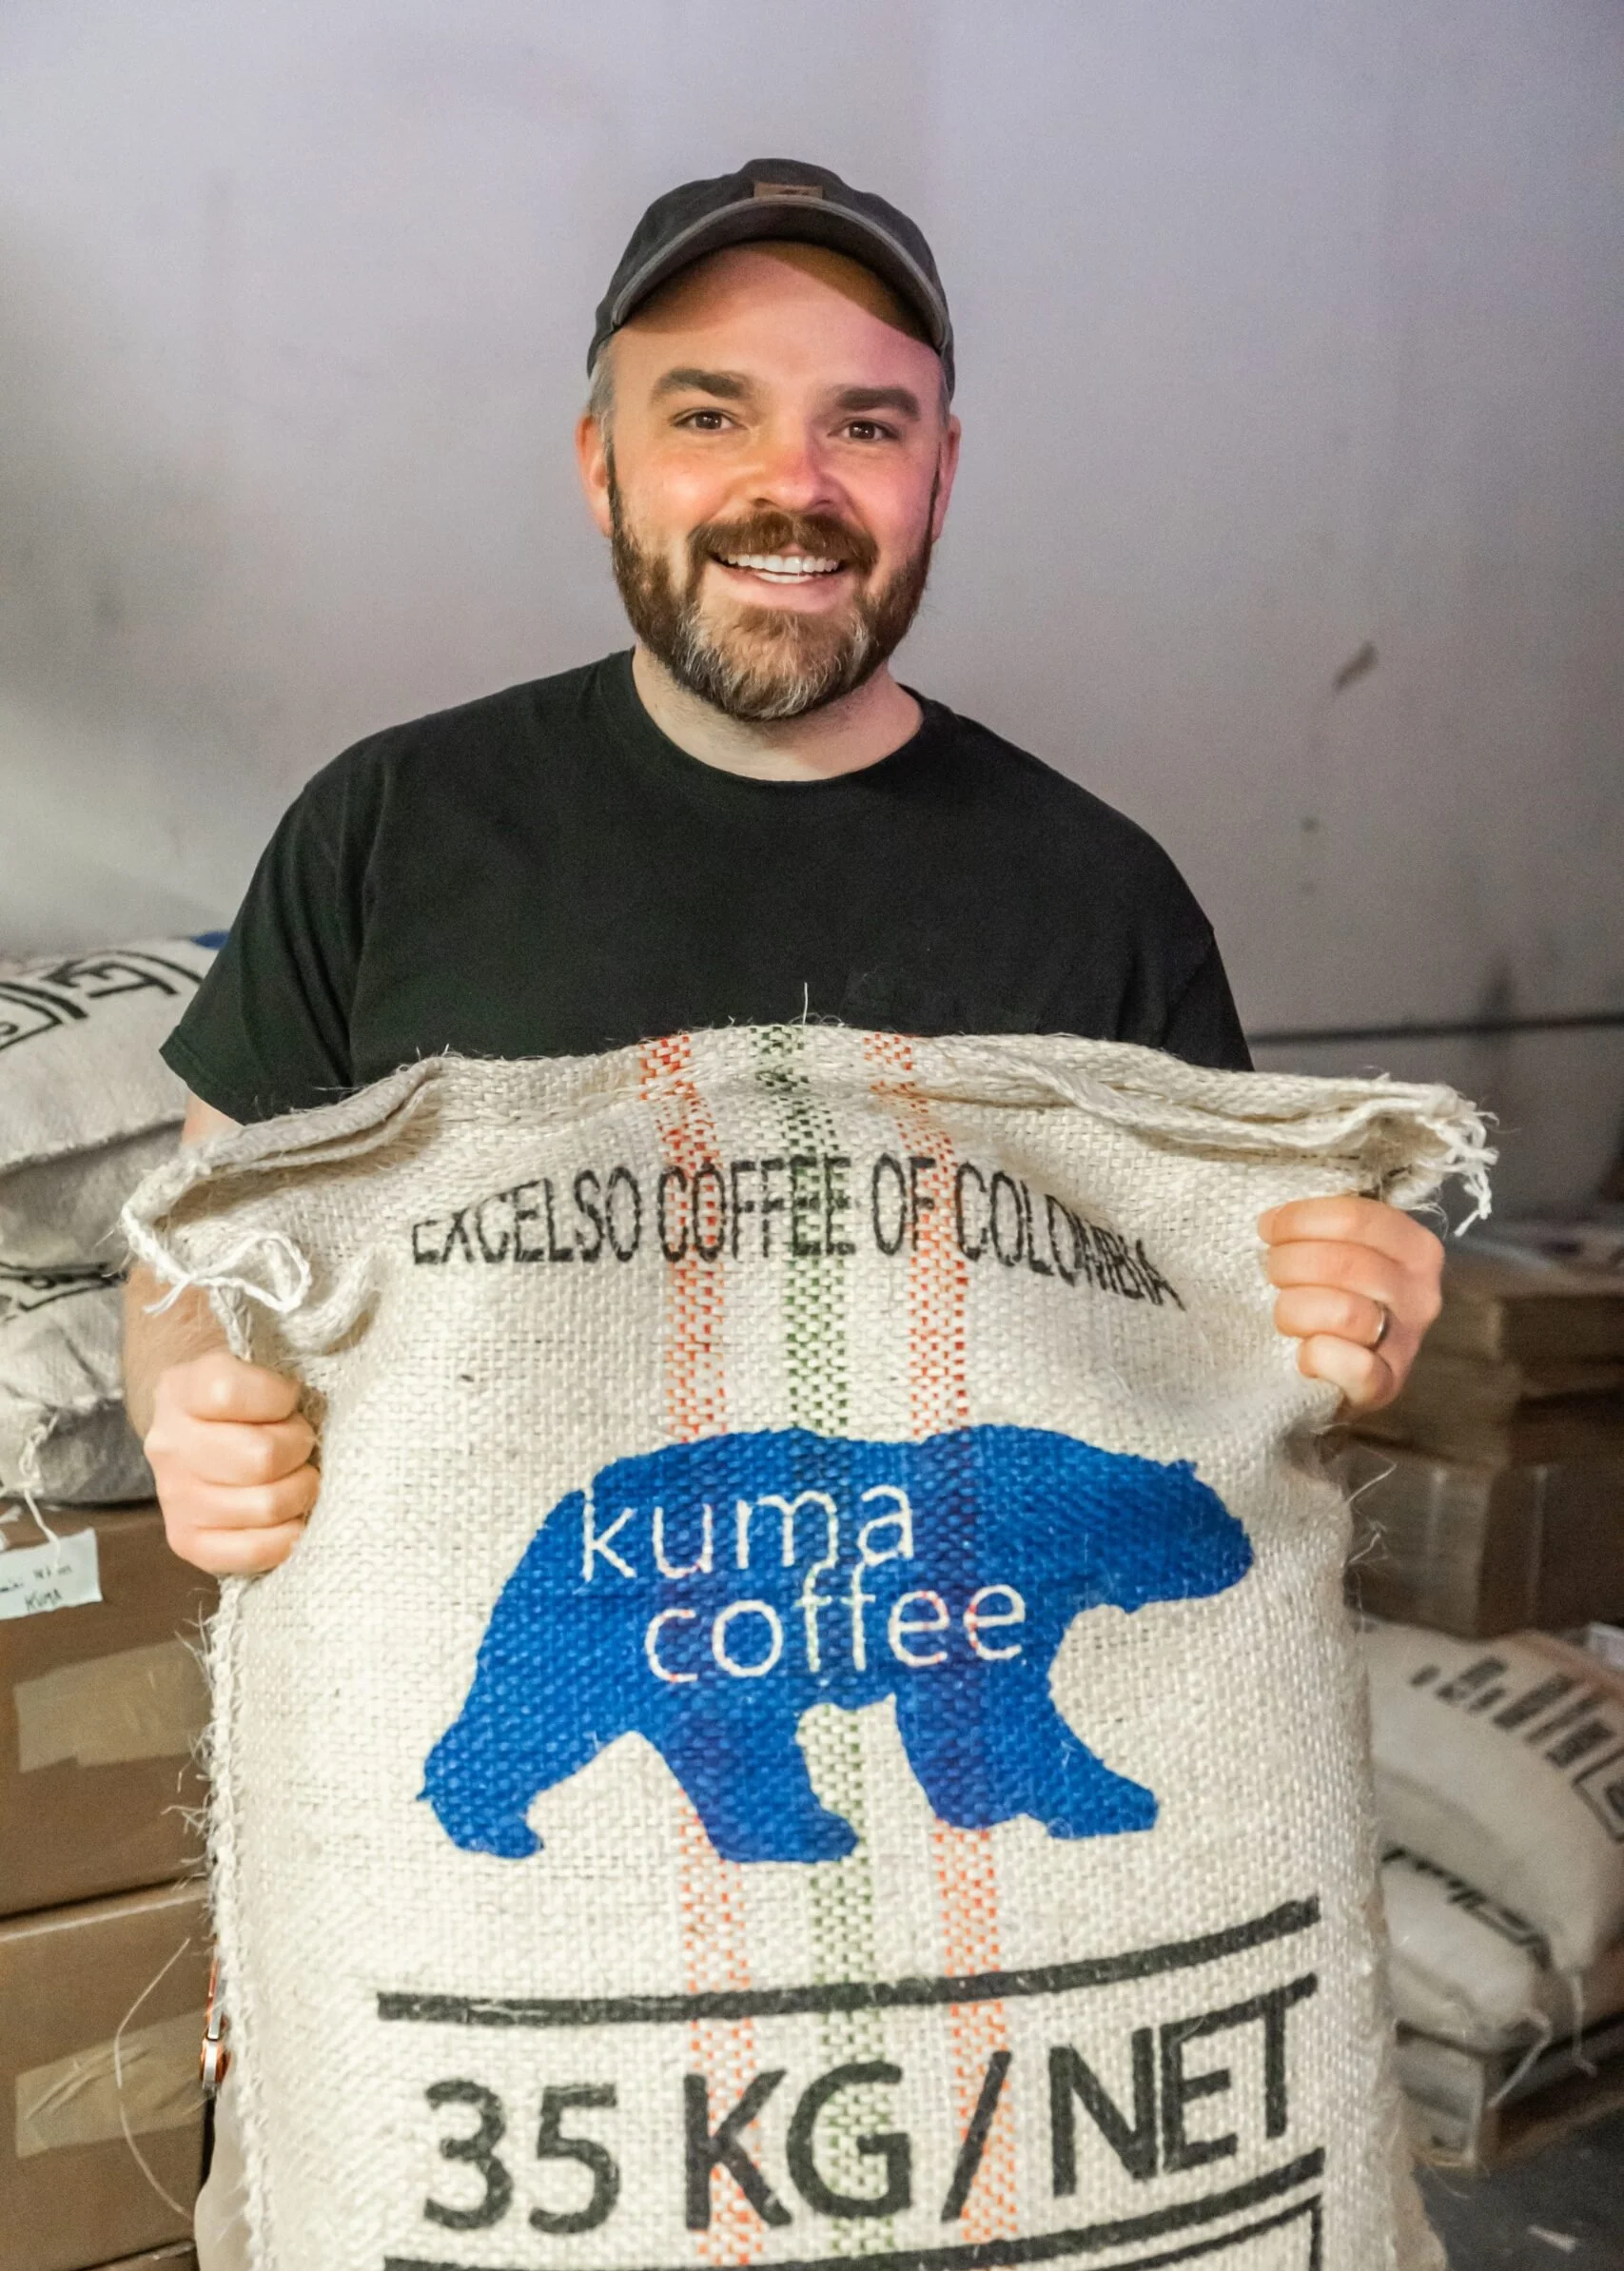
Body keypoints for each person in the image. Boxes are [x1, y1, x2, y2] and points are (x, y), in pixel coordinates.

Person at [124, 157, 1442, 1572]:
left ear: (940, 476)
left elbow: (1216, 1365)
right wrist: (189, 1425)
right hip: (501, 1672)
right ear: (600, 465)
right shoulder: (388, 829)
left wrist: (1347, 1325)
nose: (791, 487)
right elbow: (196, 1264)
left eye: (864, 427)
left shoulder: (1100, 898)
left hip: (948, 1700)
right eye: (708, 414)